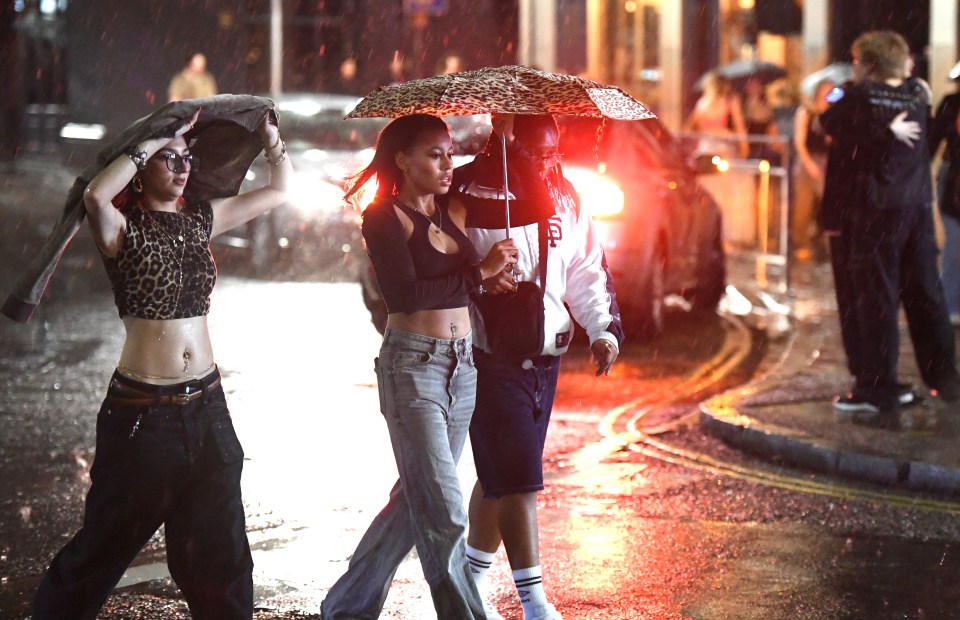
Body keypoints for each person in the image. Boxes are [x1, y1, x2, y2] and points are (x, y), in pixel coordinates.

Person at [30, 102, 292, 618]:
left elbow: (280, 190)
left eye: (186, 158)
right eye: (167, 160)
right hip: (143, 416)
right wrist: (155, 136)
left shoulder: (200, 220)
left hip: (209, 409)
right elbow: (95, 193)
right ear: (142, 165)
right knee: (101, 550)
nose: (181, 167)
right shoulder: (119, 227)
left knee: (222, 557)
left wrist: (268, 136)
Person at [320, 114, 518, 620]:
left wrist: (503, 136)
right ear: (403, 161)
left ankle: (346, 608)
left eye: (450, 152)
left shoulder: (454, 206)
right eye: (435, 154)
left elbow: (514, 188)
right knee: (447, 514)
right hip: (415, 368)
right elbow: (403, 296)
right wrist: (479, 274)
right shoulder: (383, 217)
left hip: (462, 367)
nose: (448, 163)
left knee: (416, 501)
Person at [448, 114, 623, 620]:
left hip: (546, 362)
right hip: (489, 359)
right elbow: (444, 270)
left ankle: (469, 580)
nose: (550, 161)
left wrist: (603, 331)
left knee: (499, 476)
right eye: (538, 152)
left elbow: (587, 268)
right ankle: (535, 603)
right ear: (507, 142)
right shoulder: (468, 192)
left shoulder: (564, 195)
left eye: (554, 152)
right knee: (520, 479)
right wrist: (483, 276)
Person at [820, 30, 960, 428]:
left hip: (874, 213)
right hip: (915, 208)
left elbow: (827, 120)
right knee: (924, 293)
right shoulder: (918, 94)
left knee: (874, 297)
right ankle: (944, 378)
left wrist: (852, 96)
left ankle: (878, 386)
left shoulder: (859, 98)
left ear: (868, 63)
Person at [791, 79, 834, 260]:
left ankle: (828, 244)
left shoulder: (834, 113)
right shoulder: (806, 112)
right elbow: (799, 141)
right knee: (803, 204)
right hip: (808, 160)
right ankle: (801, 243)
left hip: (828, 161)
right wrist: (809, 163)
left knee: (829, 205)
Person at [929, 74, 960, 325]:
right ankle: (949, 306)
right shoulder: (951, 104)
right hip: (954, 182)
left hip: (952, 179)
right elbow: (933, 140)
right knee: (954, 244)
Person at [684, 71, 748, 159]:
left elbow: (690, 127)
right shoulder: (728, 101)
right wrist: (744, 146)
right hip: (719, 144)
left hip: (708, 145)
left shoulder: (702, 103)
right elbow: (739, 125)